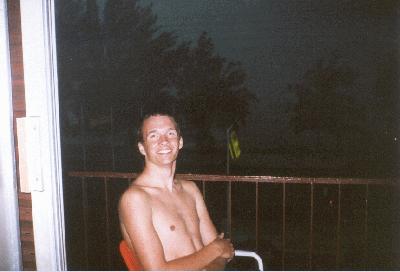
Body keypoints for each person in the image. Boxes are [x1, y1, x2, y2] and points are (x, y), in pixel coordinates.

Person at [119, 113, 235, 270]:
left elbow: (223, 254)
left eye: (170, 133)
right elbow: (158, 270)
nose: (164, 141)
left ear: (180, 142)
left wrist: (214, 259)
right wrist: (216, 249)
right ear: (142, 148)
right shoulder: (135, 199)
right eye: (153, 136)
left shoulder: (190, 189)